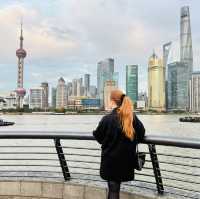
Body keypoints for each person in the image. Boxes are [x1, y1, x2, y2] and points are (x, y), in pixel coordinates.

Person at [93, 89, 145, 199]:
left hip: (110, 160)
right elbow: (141, 134)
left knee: (113, 189)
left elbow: (98, 136)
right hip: (126, 161)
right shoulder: (132, 118)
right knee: (114, 188)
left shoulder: (107, 119)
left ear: (113, 101)